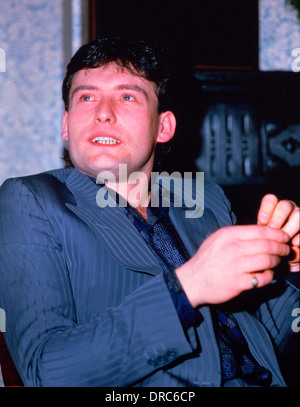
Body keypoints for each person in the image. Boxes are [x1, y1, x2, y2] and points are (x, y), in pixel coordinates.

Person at [0, 36, 299, 387]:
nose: (103, 112)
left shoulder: (207, 199)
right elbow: (46, 371)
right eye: (86, 96)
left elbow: (259, 347)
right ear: (66, 125)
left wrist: (292, 269)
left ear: (164, 127)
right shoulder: (31, 200)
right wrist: (189, 287)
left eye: (127, 96)